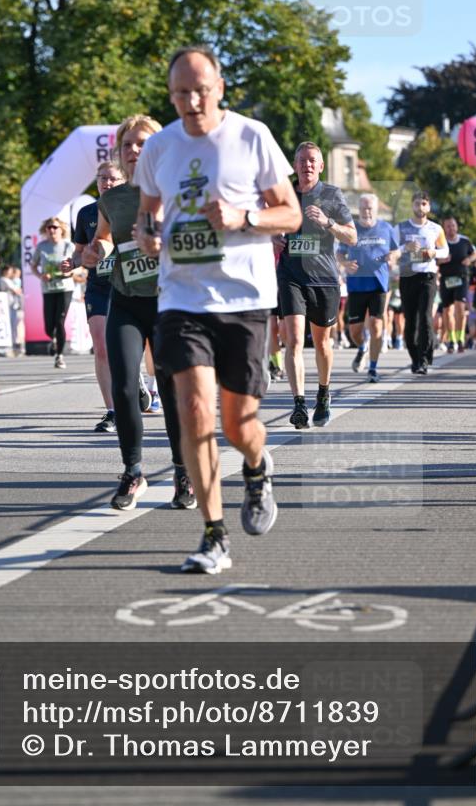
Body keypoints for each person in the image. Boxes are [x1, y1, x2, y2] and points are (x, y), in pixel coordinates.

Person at [134, 45, 301, 574]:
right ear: (171, 94)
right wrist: (147, 237)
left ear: (220, 87)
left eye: (200, 90)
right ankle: (213, 534)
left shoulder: (252, 136)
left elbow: (291, 214)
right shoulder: (159, 147)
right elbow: (145, 216)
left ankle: (257, 464)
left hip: (245, 298)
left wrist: (243, 216)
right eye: (180, 92)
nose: (191, 101)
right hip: (182, 296)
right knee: (193, 410)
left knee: (237, 425)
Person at [83, 115, 193, 512]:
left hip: (168, 302)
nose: (134, 151)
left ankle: (184, 472)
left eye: (143, 144)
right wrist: (95, 252)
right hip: (126, 300)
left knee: (170, 388)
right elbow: (102, 243)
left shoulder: (178, 190)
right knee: (125, 386)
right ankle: (133, 471)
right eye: (128, 144)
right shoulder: (111, 199)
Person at [276, 142, 357, 429]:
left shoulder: (332, 195)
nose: (307, 165)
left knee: (322, 342)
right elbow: (265, 224)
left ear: (321, 166)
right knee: (294, 340)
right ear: (294, 165)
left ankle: (323, 393)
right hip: (291, 275)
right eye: (302, 161)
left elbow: (352, 237)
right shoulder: (283, 193)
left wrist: (328, 222)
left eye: (312, 161)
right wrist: (274, 238)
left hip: (323, 278)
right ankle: (298, 404)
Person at [72, 161, 126, 432]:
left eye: (113, 179)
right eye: (103, 179)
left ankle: (137, 380)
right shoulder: (86, 214)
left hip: (130, 285)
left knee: (129, 347)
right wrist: (71, 262)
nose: (107, 183)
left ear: (123, 181)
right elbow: (79, 251)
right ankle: (112, 411)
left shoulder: (133, 206)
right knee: (102, 347)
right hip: (99, 286)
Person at [337, 193, 399, 383]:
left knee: (376, 325)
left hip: (379, 284)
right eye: (363, 208)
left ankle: (373, 367)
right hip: (356, 285)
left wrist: (392, 258)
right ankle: (362, 347)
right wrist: (345, 264)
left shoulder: (386, 228)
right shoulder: (351, 229)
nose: (366, 212)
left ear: (376, 209)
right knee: (355, 331)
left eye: (369, 208)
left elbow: (396, 250)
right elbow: (340, 253)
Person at [393, 191, 449, 374]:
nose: (420, 207)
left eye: (424, 203)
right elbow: (391, 252)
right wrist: (405, 248)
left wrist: (434, 253)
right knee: (410, 320)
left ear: (429, 207)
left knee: (425, 317)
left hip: (428, 276)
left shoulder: (436, 229)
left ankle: (424, 358)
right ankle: (415, 358)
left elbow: (445, 251)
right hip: (408, 276)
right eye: (417, 203)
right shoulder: (400, 228)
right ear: (412, 205)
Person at [30, 217, 76, 368]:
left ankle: (59, 356)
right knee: (48, 326)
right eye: (49, 227)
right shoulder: (42, 246)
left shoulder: (69, 246)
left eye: (55, 227)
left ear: (61, 229)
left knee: (60, 320)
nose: (52, 230)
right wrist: (41, 276)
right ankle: (54, 338)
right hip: (48, 289)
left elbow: (78, 265)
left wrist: (69, 273)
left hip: (65, 288)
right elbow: (33, 266)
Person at [438, 217, 476, 354]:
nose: (451, 228)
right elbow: (433, 259)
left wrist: (469, 259)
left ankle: (460, 339)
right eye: (448, 226)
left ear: (457, 226)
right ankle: (451, 340)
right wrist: (441, 260)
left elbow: (475, 254)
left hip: (462, 278)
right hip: (446, 279)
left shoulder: (465, 240)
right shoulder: (440, 242)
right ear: (444, 228)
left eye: (453, 225)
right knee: (447, 311)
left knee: (460, 308)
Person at [0, 264, 24, 353]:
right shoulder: (3, 279)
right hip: (7, 305)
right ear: (5, 271)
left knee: (14, 324)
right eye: (10, 271)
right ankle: (11, 343)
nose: (11, 273)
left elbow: (18, 290)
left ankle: (14, 342)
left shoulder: (9, 280)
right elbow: (16, 290)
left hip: (12, 304)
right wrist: (17, 290)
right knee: (10, 324)